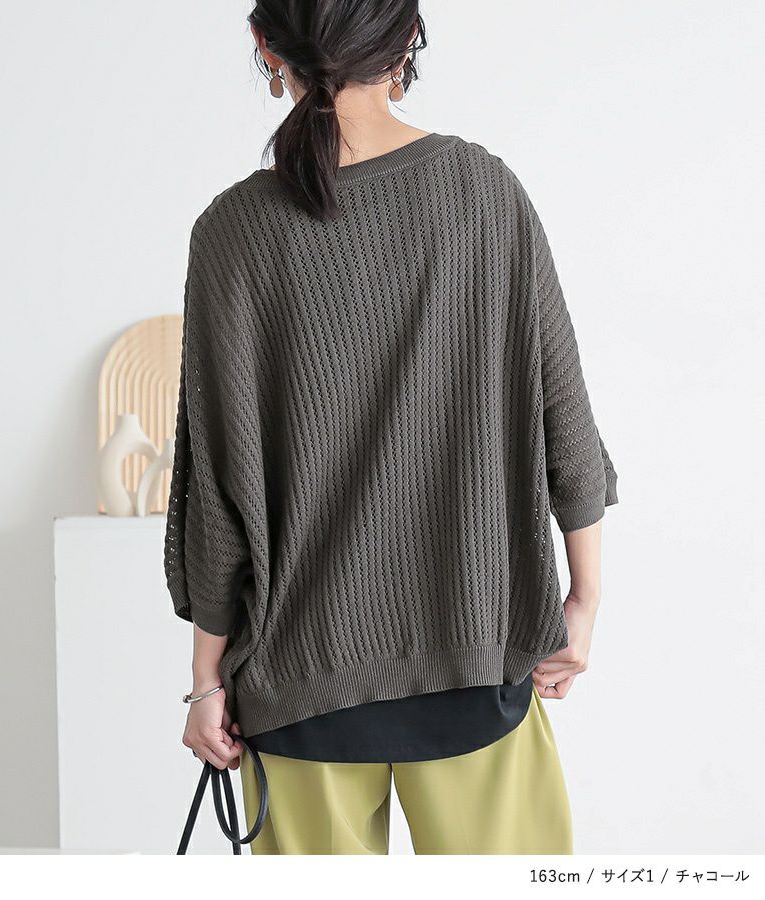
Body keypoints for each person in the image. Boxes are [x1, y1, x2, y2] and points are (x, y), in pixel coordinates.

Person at [164, 0, 618, 856]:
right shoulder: (481, 193)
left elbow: (219, 498)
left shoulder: (231, 235)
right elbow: (565, 419)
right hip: (473, 660)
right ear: (408, 37)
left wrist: (205, 682)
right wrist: (584, 602)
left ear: (266, 44)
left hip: (300, 689)